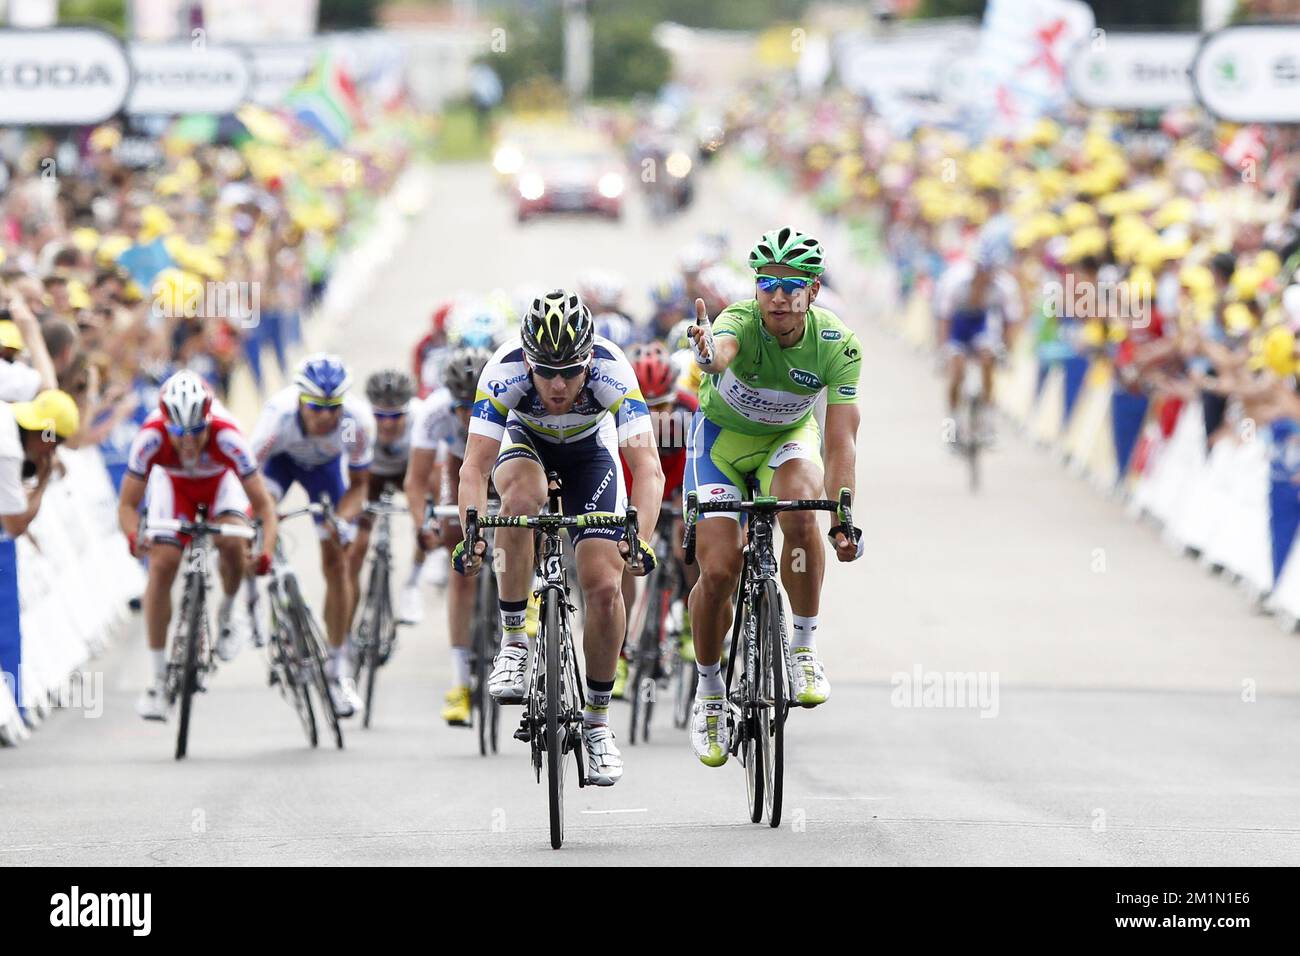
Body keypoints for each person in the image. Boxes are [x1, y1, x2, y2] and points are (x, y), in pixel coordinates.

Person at [454, 290, 664, 786]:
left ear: (589, 358)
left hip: (592, 455)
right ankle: (513, 642)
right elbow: (474, 466)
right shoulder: (502, 370)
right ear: (526, 360)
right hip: (525, 447)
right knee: (520, 501)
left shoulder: (615, 370)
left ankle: (596, 724)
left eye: (570, 371)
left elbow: (647, 469)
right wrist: (471, 531)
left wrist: (641, 540)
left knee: (603, 584)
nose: (557, 384)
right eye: (544, 371)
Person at [684, 227, 863, 767]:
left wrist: (843, 513)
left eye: (791, 285)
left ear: (812, 291)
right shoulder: (738, 321)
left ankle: (803, 647)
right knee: (717, 569)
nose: (778, 296)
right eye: (768, 284)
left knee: (802, 509)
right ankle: (711, 690)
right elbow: (720, 355)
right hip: (721, 445)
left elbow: (840, 438)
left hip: (787, 441)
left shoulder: (837, 344)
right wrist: (709, 352)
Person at [117, 371, 277, 720]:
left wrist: (263, 552)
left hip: (220, 484)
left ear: (209, 421)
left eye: (196, 432)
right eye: (179, 433)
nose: (188, 442)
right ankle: (159, 682)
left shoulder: (228, 435)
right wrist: (134, 537)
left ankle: (229, 611)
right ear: (166, 424)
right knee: (162, 566)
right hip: (173, 489)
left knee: (233, 543)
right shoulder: (150, 438)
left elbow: (264, 506)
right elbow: (127, 505)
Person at [251, 354, 375, 718]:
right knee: (253, 526)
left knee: (338, 563)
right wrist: (261, 516)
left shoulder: (354, 423)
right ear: (300, 400)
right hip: (279, 466)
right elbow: (247, 479)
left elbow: (360, 486)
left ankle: (338, 670)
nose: (325, 416)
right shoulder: (278, 418)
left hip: (325, 474)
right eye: (316, 407)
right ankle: (257, 607)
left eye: (333, 407)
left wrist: (339, 520)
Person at [405, 346, 490, 726]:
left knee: (520, 517)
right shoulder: (433, 411)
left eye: (476, 408)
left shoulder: (511, 400)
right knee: (462, 570)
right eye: (462, 408)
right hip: (462, 467)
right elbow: (415, 481)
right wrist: (424, 524)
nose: (469, 416)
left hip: (506, 457)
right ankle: (458, 683)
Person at [348, 370, 421, 626]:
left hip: (408, 473)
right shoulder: (357, 421)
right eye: (380, 416)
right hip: (372, 476)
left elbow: (431, 471)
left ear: (408, 411)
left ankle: (412, 584)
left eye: (396, 416)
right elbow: (345, 470)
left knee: (427, 520)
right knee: (356, 546)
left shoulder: (422, 417)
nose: (387, 424)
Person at [933, 238, 1023, 442]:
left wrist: (1008, 351)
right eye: (982, 272)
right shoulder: (955, 281)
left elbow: (1012, 322)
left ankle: (988, 422)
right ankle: (953, 425)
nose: (985, 277)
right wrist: (943, 350)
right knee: (956, 371)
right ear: (974, 268)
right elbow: (944, 319)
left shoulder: (1004, 286)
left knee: (987, 360)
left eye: (990, 272)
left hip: (983, 325)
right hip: (959, 324)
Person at [0, 389, 80, 539]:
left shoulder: (4, 411)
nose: (51, 452)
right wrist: (44, 478)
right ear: (49, 438)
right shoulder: (8, 453)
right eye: (56, 445)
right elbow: (15, 526)